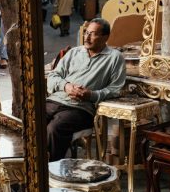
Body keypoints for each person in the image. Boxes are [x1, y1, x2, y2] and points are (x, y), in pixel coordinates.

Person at [46, 18, 126, 161]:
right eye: (86, 33)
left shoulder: (114, 58)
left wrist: (91, 95)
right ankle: (32, 165)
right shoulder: (74, 52)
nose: (87, 37)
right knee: (31, 119)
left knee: (55, 128)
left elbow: (115, 89)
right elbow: (53, 76)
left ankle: (50, 170)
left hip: (81, 109)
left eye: (93, 34)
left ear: (105, 37)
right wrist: (66, 86)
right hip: (55, 100)